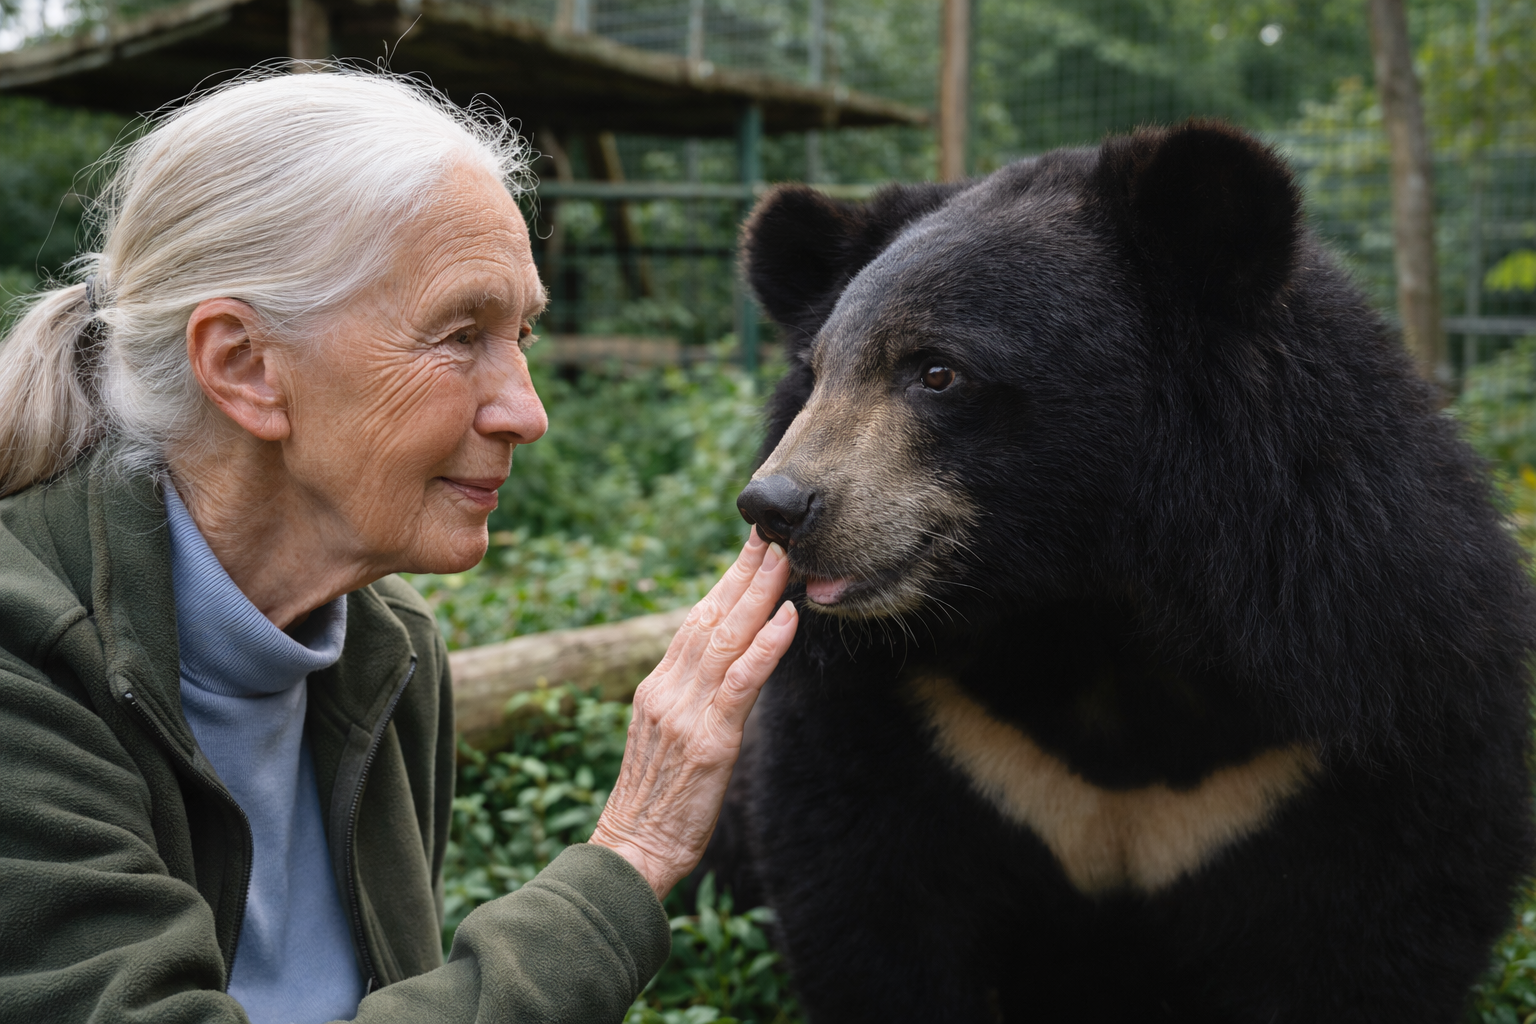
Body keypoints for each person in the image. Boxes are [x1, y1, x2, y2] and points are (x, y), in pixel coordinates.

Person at [0, 69, 798, 1024]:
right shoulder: (23, 675)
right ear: (244, 367)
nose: (527, 412)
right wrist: (627, 857)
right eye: (461, 333)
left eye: (524, 333)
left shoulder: (390, 651)